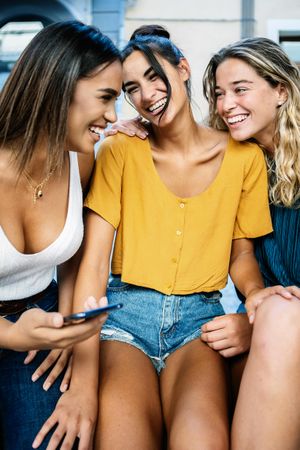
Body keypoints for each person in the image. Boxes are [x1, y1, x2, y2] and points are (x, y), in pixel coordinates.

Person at [33, 26, 287, 450]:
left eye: (154, 76)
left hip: (198, 325)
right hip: (124, 319)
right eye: (131, 87)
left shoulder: (245, 159)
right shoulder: (120, 151)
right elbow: (93, 265)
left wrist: (255, 295)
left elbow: (241, 253)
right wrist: (82, 382)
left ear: (182, 69)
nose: (146, 93)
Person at [0, 20, 122, 449]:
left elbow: (73, 263)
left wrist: (71, 336)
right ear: (58, 86)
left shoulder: (81, 161)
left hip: (41, 329)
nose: (113, 116)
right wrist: (10, 334)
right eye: (105, 98)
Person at [202, 37, 300, 450]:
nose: (226, 105)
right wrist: (134, 130)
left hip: (279, 320)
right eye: (220, 94)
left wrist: (263, 322)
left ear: (280, 90)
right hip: (268, 314)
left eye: (240, 89)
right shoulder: (237, 162)